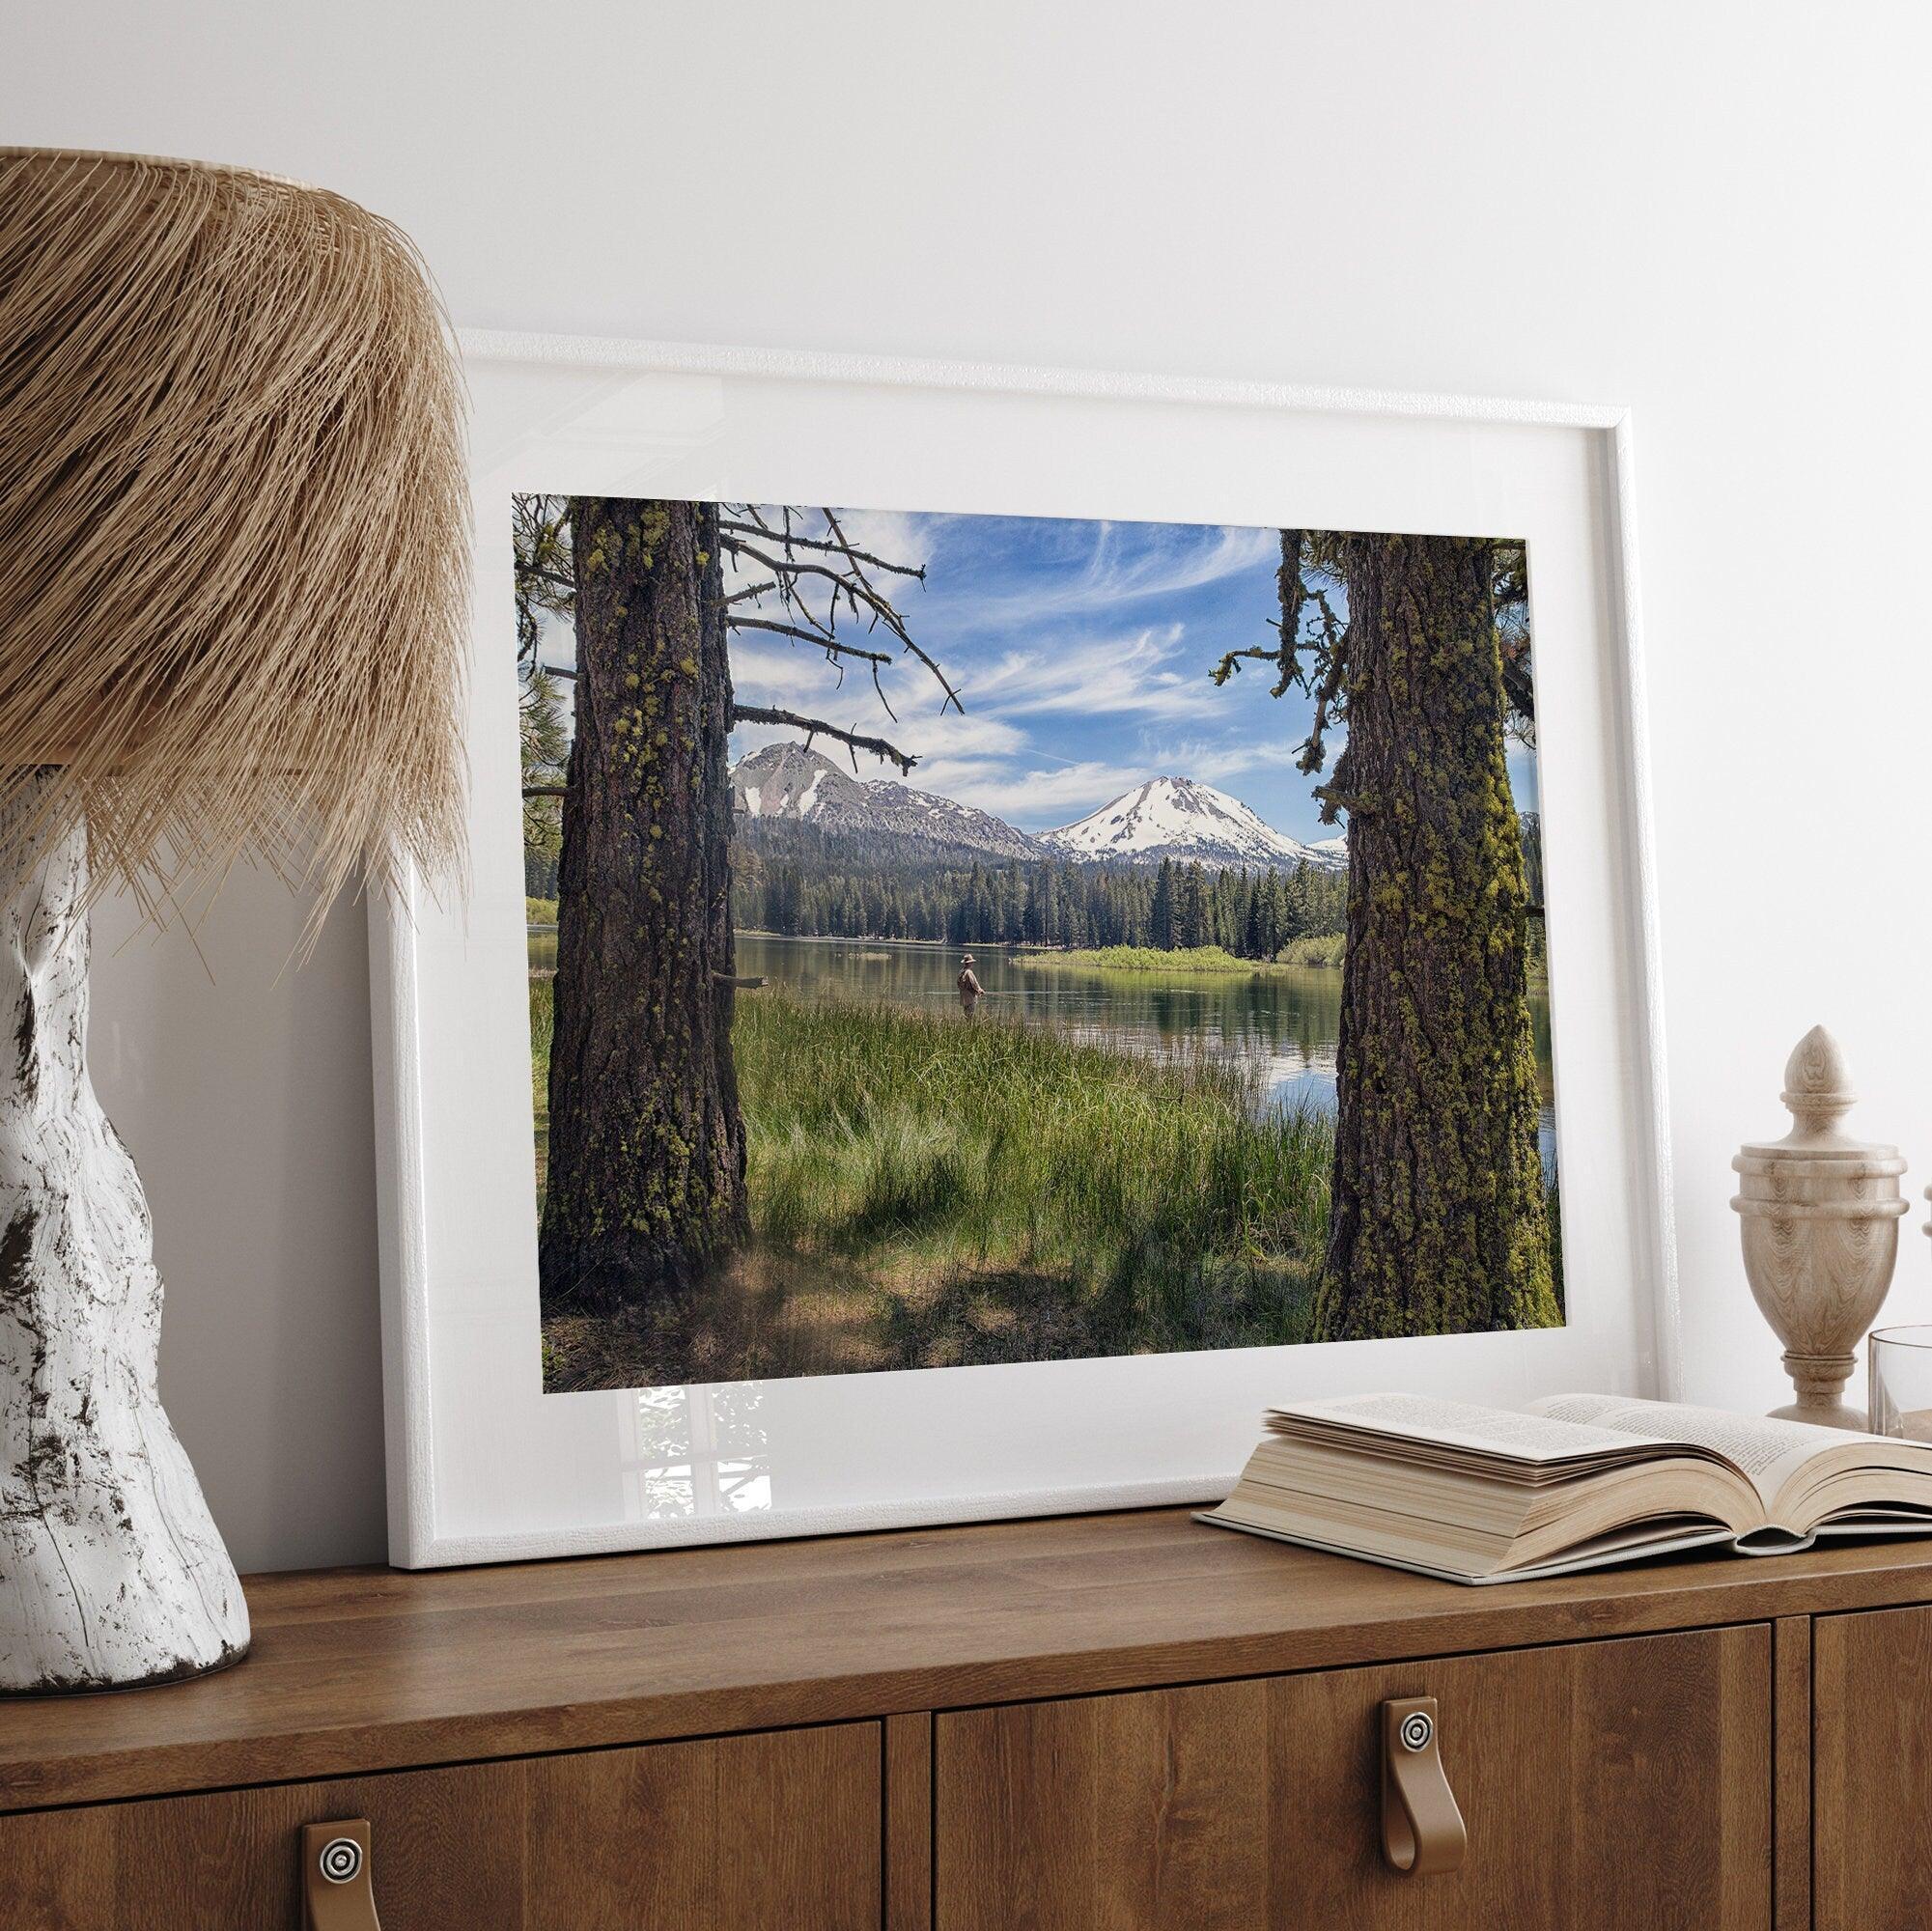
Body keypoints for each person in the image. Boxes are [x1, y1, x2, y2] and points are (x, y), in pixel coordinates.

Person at [956, 952, 983, 1017]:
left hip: (963, 998)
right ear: (970, 963)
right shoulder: (969, 972)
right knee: (970, 1017)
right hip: (970, 998)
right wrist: (980, 990)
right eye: (972, 962)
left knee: (966, 1016)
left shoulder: (961, 972)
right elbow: (974, 983)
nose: (972, 964)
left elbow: (958, 984)